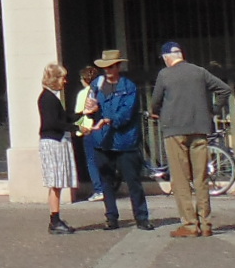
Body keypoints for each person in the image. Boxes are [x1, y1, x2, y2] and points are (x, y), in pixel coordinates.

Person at [150, 39, 232, 238]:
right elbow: (224, 90)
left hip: (175, 131)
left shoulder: (165, 74)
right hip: (200, 129)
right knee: (200, 177)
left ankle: (189, 224)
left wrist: (156, 113)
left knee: (181, 179)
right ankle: (205, 223)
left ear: (167, 58)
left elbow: (155, 101)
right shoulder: (199, 72)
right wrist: (213, 110)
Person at [87, 50, 150, 231]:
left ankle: (141, 217)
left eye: (111, 66)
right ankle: (111, 217)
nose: (108, 70)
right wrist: (91, 110)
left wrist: (109, 119)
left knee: (133, 181)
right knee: (106, 182)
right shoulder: (96, 85)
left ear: (118, 67)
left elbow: (126, 113)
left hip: (125, 141)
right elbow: (88, 109)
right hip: (102, 140)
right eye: (105, 67)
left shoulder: (129, 86)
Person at [36, 63, 76, 235]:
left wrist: (84, 115)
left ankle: (55, 218)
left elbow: (65, 117)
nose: (65, 81)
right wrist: (77, 128)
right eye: (62, 78)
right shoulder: (47, 98)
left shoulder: (51, 98)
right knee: (55, 183)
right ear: (54, 79)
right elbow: (53, 123)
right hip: (52, 142)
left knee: (56, 183)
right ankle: (54, 220)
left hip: (54, 141)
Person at [69, 63, 102, 201]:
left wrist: (74, 128)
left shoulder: (83, 94)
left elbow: (79, 113)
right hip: (101, 128)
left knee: (91, 161)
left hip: (88, 129)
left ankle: (99, 189)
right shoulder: (101, 91)